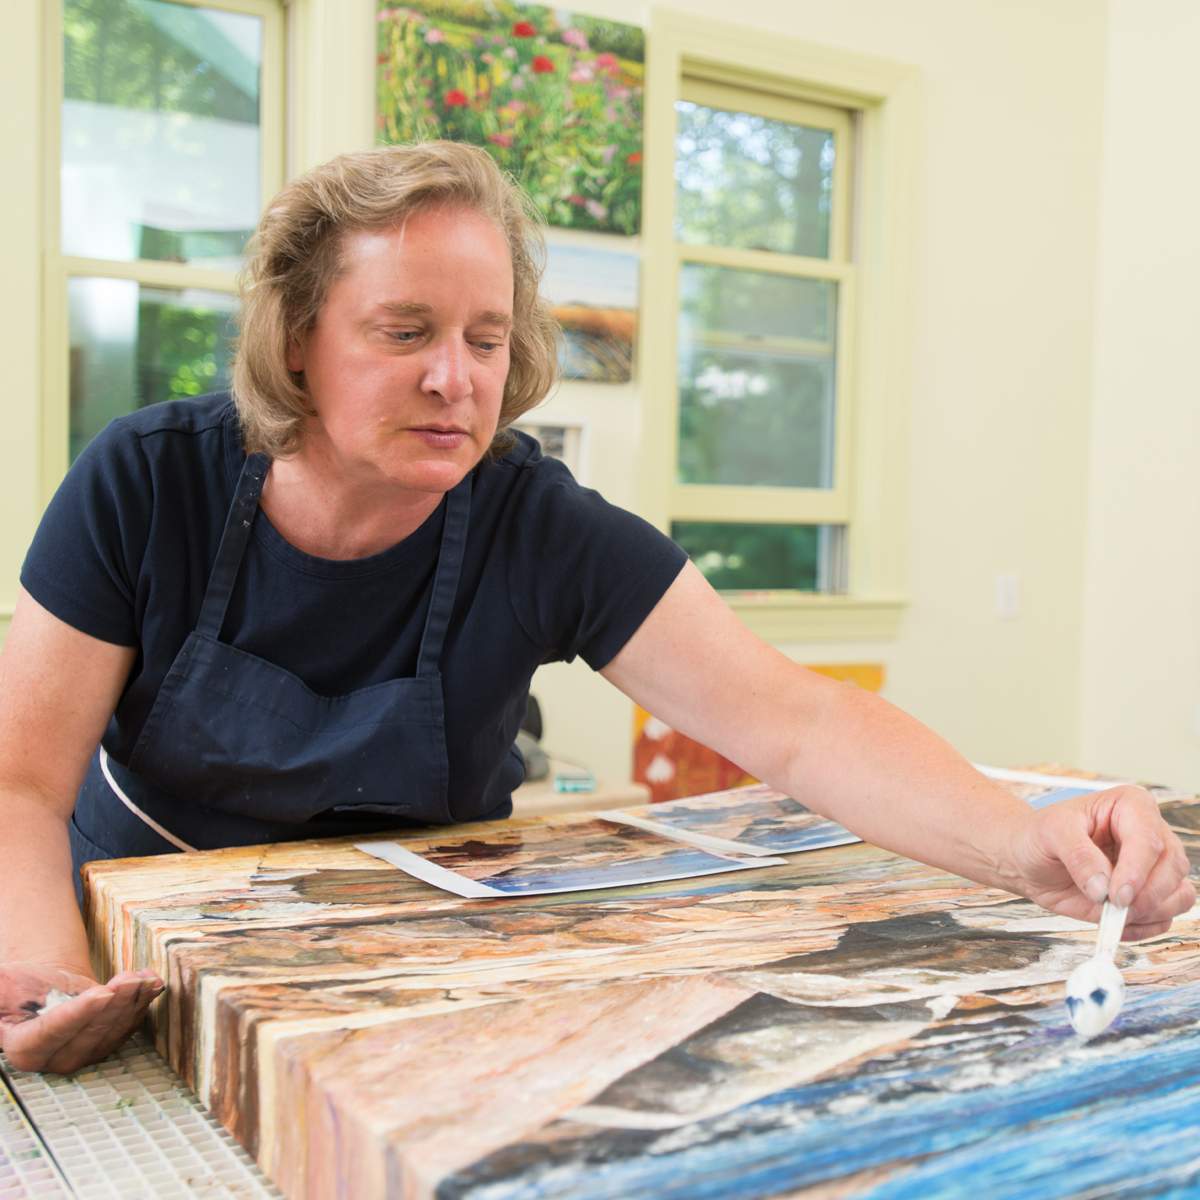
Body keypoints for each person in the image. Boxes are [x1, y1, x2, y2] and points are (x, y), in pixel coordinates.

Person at [0, 142, 1192, 1076]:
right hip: (121, 953)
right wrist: (50, 983)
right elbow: (21, 786)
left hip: (403, 979)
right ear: (296, 340)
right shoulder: (146, 481)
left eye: (486, 339)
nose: (455, 378)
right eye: (405, 332)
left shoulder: (539, 526)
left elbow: (798, 724)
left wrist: (1023, 844)